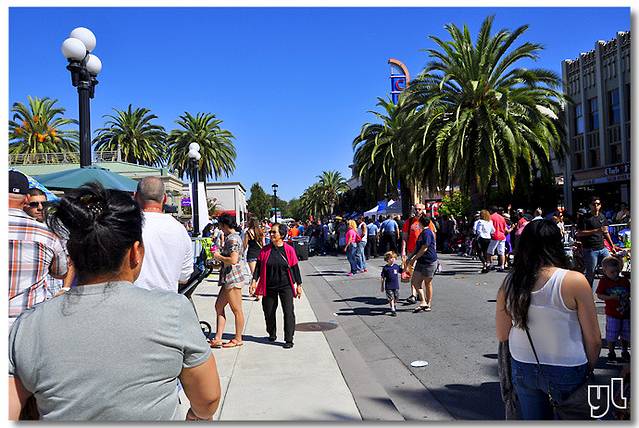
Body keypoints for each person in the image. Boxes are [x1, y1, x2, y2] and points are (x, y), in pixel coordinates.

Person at [9, 182, 221, 421]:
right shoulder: (174, 311)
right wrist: (196, 416)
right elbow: (208, 398)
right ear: (136, 252)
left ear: (72, 254)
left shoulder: (29, 324)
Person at [495, 220, 601, 420]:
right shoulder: (574, 280)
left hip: (523, 364)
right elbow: (594, 339)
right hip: (569, 366)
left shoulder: (510, 282)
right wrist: (588, 369)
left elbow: (502, 334)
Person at [8, 171, 68, 330]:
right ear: (26, 199)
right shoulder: (47, 235)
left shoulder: (52, 231)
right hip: (28, 321)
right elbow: (61, 271)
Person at [133, 177, 193, 293]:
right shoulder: (180, 230)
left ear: (135, 196)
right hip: (168, 300)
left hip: (133, 300)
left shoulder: (126, 225)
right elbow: (184, 277)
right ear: (164, 198)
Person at [249, 223, 302, 349]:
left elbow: (295, 268)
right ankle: (272, 333)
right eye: (271, 232)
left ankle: (289, 339)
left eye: (274, 232)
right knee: (268, 311)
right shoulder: (265, 250)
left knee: (288, 312)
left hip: (285, 286)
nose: (271, 234)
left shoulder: (289, 250)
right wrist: (254, 281)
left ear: (282, 235)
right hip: (269, 285)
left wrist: (299, 285)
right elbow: (258, 267)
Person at [209, 214, 246, 349]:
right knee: (219, 306)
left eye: (220, 225)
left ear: (225, 225)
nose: (220, 228)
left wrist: (218, 256)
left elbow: (233, 260)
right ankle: (218, 337)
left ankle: (238, 338)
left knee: (236, 309)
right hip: (228, 278)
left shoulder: (233, 239)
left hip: (233, 278)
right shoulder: (232, 237)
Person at [576, 196, 620, 289]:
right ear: (590, 206)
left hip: (602, 248)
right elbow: (579, 233)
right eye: (594, 204)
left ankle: (612, 290)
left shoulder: (602, 216)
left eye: (598, 204)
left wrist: (612, 246)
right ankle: (587, 294)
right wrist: (596, 230)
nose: (596, 206)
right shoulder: (584, 218)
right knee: (591, 274)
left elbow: (605, 232)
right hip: (590, 250)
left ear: (600, 205)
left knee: (612, 267)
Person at [596, 256, 630, 363]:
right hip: (612, 313)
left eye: (617, 271)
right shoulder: (604, 281)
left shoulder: (624, 281)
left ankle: (625, 350)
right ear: (605, 271)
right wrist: (610, 297)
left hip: (626, 312)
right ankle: (611, 352)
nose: (615, 274)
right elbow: (599, 295)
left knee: (626, 333)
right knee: (612, 334)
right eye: (612, 272)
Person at [407, 216, 438, 312]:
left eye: (418, 223)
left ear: (420, 223)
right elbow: (417, 247)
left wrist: (414, 259)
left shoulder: (427, 233)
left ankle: (428, 303)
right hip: (421, 261)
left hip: (429, 261)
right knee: (415, 281)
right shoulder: (422, 233)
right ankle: (423, 301)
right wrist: (409, 257)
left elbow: (424, 248)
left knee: (427, 283)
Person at [244, 218, 265, 301]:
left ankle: (257, 293)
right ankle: (253, 290)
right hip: (260, 254)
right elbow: (263, 244)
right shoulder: (260, 231)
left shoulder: (248, 232)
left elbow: (245, 245)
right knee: (258, 274)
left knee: (254, 274)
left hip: (251, 254)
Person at [380, 251, 402, 316]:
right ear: (387, 259)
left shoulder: (396, 266)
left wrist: (404, 264)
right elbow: (383, 277)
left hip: (396, 285)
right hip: (388, 286)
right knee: (391, 298)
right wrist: (382, 286)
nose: (393, 259)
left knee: (396, 297)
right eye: (391, 258)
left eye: (394, 258)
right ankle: (392, 309)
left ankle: (394, 304)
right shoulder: (385, 268)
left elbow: (402, 271)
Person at [488, 206, 508, 272]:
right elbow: (505, 228)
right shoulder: (502, 218)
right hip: (502, 236)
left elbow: (489, 227)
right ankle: (502, 266)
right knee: (501, 252)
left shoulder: (490, 217)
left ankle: (490, 265)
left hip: (494, 236)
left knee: (490, 251)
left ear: (491, 210)